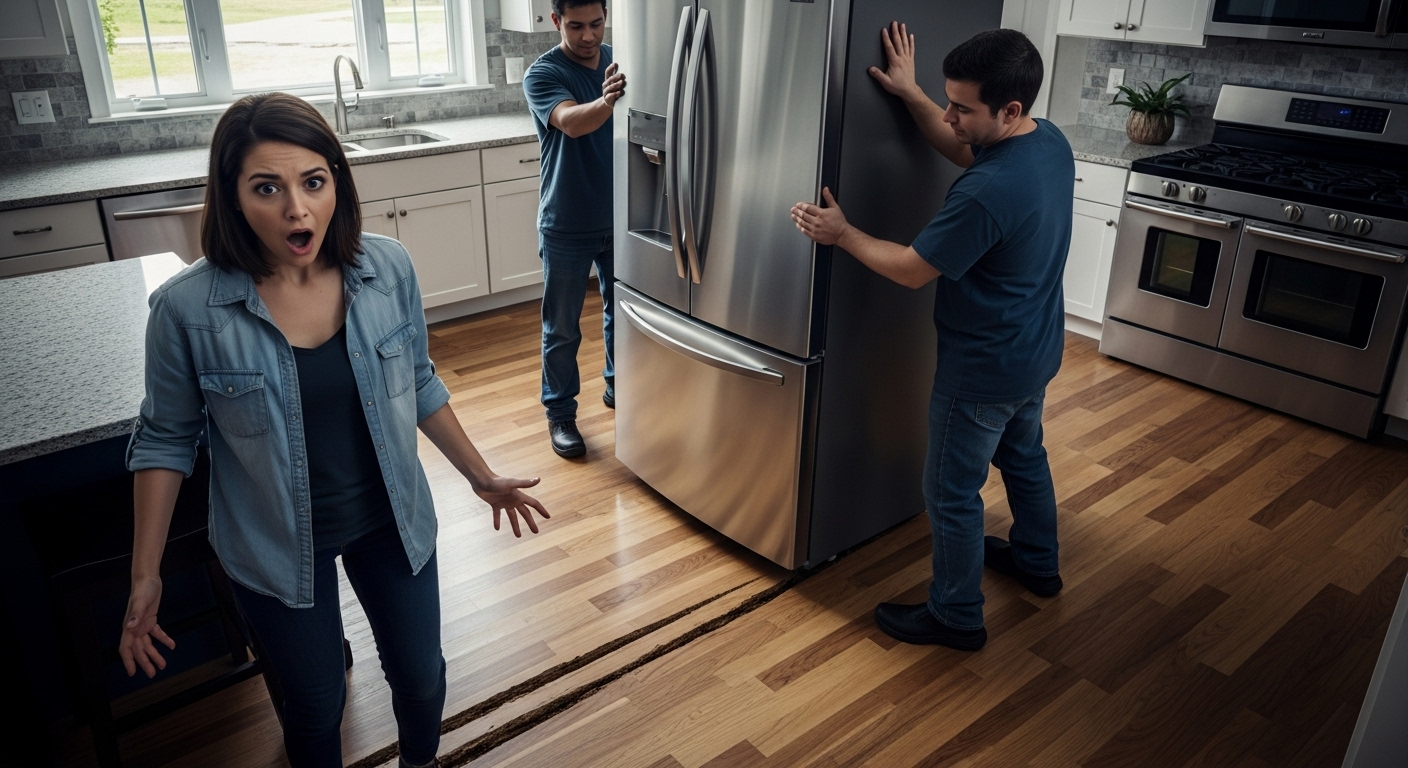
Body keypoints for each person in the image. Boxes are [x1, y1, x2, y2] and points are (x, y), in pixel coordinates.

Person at [118, 92, 550, 768]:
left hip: (390, 520)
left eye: (314, 182)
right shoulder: (186, 310)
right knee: (315, 703)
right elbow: (166, 440)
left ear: (336, 184)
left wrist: (481, 476)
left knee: (422, 675)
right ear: (231, 197)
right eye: (268, 188)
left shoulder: (385, 269)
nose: (297, 209)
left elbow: (419, 380)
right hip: (274, 545)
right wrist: (146, 576)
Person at [791, 26, 1073, 652]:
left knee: (950, 492)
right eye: (948, 100)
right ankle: (1036, 560)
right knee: (1025, 458)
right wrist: (912, 93)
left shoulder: (987, 192)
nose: (949, 116)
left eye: (961, 107)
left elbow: (913, 269)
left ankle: (956, 614)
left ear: (1010, 109)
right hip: (1034, 351)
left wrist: (842, 233)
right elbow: (963, 145)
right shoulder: (1047, 143)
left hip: (982, 368)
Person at [522, 0, 624, 459]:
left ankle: (619, 385)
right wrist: (606, 101)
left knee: (621, 313)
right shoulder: (543, 74)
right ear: (556, 21)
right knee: (561, 329)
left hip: (621, 217)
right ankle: (560, 415)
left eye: (597, 24)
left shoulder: (617, 60)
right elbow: (570, 123)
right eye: (577, 26)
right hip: (565, 222)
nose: (588, 36)